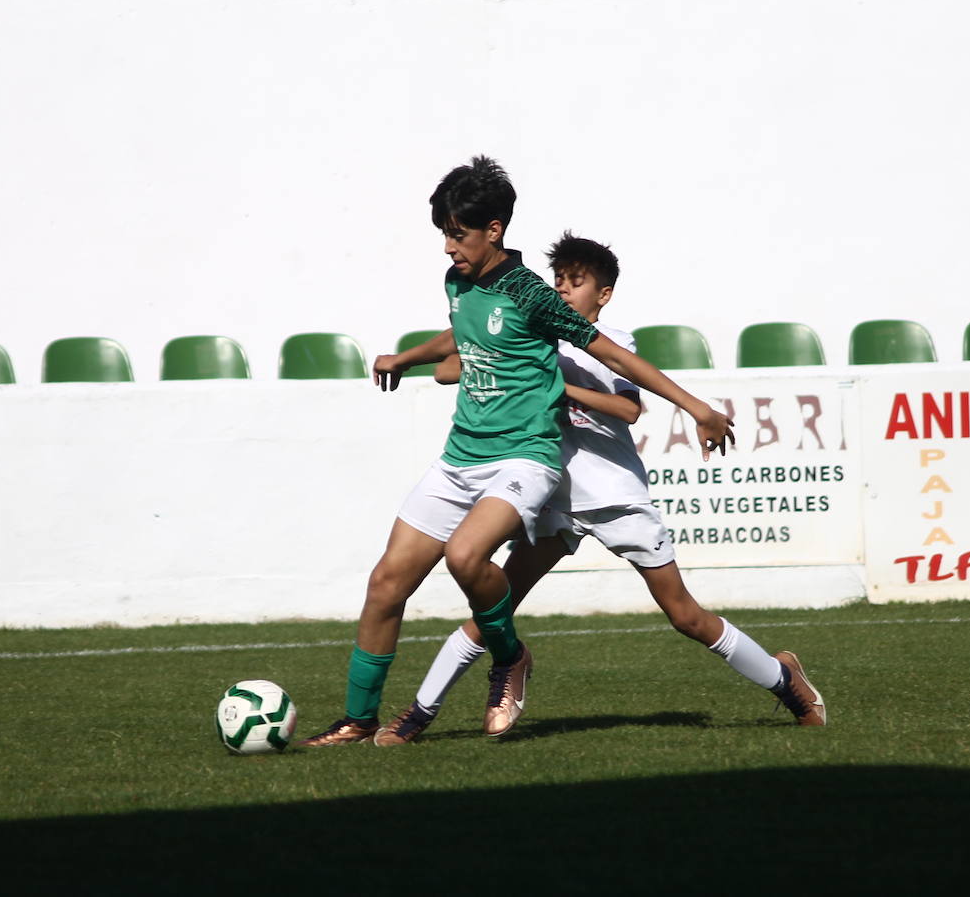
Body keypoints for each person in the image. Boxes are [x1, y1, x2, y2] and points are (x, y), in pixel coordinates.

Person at [300, 158, 735, 746]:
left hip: (524, 457)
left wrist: (696, 407)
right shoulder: (458, 280)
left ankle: (509, 657)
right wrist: (408, 358)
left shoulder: (534, 294)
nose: (449, 247)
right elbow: (465, 329)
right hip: (461, 456)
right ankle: (358, 718)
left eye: (459, 234)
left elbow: (613, 356)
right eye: (445, 235)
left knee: (466, 557)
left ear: (495, 230)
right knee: (385, 585)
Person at [371, 232, 825, 747]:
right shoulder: (534, 332)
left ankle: (785, 679)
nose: (563, 291)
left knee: (685, 615)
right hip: (553, 496)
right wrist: (431, 361)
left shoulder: (615, 339)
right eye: (558, 281)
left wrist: (556, 389)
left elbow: (629, 409)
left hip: (614, 497)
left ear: (603, 294)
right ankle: (418, 715)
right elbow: (453, 367)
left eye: (577, 283)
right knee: (493, 607)